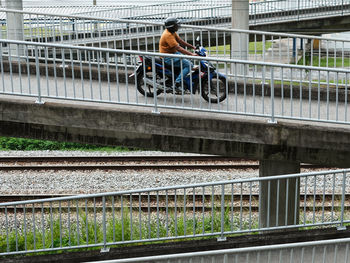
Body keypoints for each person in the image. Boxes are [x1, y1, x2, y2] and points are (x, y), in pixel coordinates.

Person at [159, 17, 198, 92]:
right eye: (176, 25)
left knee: (189, 62)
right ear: (172, 27)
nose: (178, 26)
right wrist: (191, 54)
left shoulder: (172, 32)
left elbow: (181, 41)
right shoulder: (168, 35)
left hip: (173, 53)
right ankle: (177, 83)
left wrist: (193, 47)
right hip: (168, 57)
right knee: (189, 65)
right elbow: (178, 48)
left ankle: (180, 77)